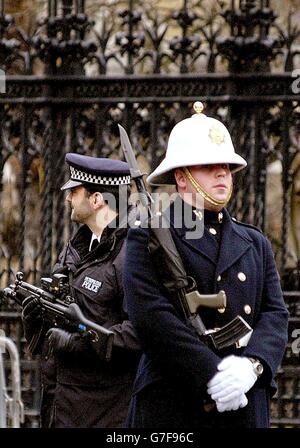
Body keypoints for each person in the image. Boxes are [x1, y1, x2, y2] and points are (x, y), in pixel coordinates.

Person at [123, 102, 289, 428]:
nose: (222, 173)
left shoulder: (254, 242)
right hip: (175, 402)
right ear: (182, 178)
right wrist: (210, 374)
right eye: (209, 166)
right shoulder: (148, 235)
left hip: (243, 398)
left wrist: (253, 366)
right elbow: (151, 318)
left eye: (226, 166)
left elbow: (275, 314)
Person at [21, 153, 140, 428]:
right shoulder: (77, 248)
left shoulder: (133, 255)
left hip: (105, 411)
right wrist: (35, 319)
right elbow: (57, 326)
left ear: (97, 200)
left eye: (74, 191)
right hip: (61, 404)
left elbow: (140, 333)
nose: (67, 199)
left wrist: (80, 343)